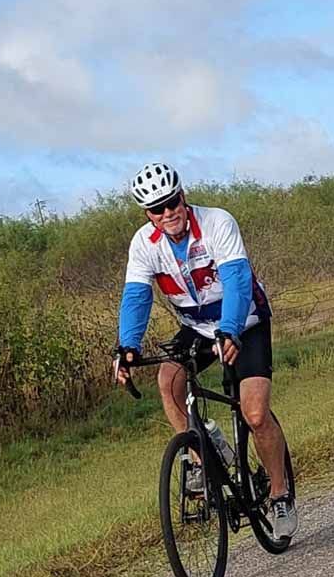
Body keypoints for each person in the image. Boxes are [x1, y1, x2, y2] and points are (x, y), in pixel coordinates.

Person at [113, 162, 298, 535]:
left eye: (172, 202)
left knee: (256, 414)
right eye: (157, 209)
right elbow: (136, 296)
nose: (168, 213)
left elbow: (236, 279)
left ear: (183, 196)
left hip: (244, 321)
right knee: (168, 381)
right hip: (197, 327)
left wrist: (230, 331)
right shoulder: (143, 245)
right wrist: (127, 346)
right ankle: (204, 448)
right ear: (148, 214)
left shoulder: (217, 223)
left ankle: (279, 495)